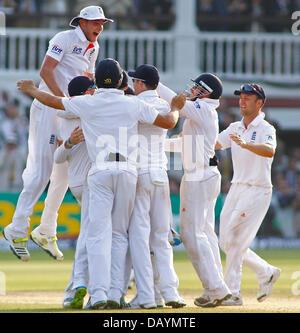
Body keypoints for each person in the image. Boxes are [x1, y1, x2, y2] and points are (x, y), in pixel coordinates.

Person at [16, 57, 186, 309]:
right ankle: (116, 294)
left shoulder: (88, 102)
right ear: (120, 81)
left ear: (96, 81)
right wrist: (175, 106)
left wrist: (31, 90)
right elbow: (168, 122)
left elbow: (54, 101)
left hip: (101, 170)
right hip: (128, 171)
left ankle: (98, 296)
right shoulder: (131, 103)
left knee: (97, 236)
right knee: (120, 235)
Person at [3, 6, 113, 262]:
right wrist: (62, 100)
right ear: (82, 23)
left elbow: (86, 76)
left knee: (64, 172)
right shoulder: (63, 38)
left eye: (102, 23)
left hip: (69, 110)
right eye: (95, 23)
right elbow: (45, 71)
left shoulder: (93, 47)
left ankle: (46, 230)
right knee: (41, 170)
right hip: (47, 108)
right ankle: (16, 228)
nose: (99, 27)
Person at [157, 73, 232, 308]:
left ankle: (216, 288)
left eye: (197, 88)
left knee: (191, 235)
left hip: (199, 176)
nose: (192, 90)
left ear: (206, 92)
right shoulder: (204, 111)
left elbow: (175, 101)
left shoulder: (203, 108)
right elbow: (185, 144)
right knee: (206, 233)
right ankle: (216, 288)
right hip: (205, 174)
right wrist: (157, 144)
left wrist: (153, 82)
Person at [216, 83, 281, 305]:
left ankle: (233, 293)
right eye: (241, 97)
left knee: (234, 241)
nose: (242, 101)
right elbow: (215, 143)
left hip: (258, 189)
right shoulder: (234, 127)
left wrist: (246, 145)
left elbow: (270, 150)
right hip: (236, 188)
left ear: (259, 103)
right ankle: (266, 271)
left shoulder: (266, 129)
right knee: (226, 242)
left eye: (247, 98)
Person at [127, 64, 186, 309]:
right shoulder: (164, 104)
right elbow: (171, 119)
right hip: (160, 174)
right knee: (161, 238)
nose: (131, 85)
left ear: (141, 84)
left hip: (140, 174)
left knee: (140, 239)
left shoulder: (133, 104)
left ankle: (147, 297)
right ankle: (170, 293)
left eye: (134, 82)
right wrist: (175, 106)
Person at [53, 76, 95, 309]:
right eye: (92, 89)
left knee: (94, 235)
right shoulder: (88, 112)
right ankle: (79, 287)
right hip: (91, 183)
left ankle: (78, 288)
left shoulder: (65, 115)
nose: (95, 92)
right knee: (93, 237)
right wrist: (70, 142)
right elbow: (59, 157)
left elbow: (59, 157)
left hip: (80, 184)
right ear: (84, 93)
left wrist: (68, 143)